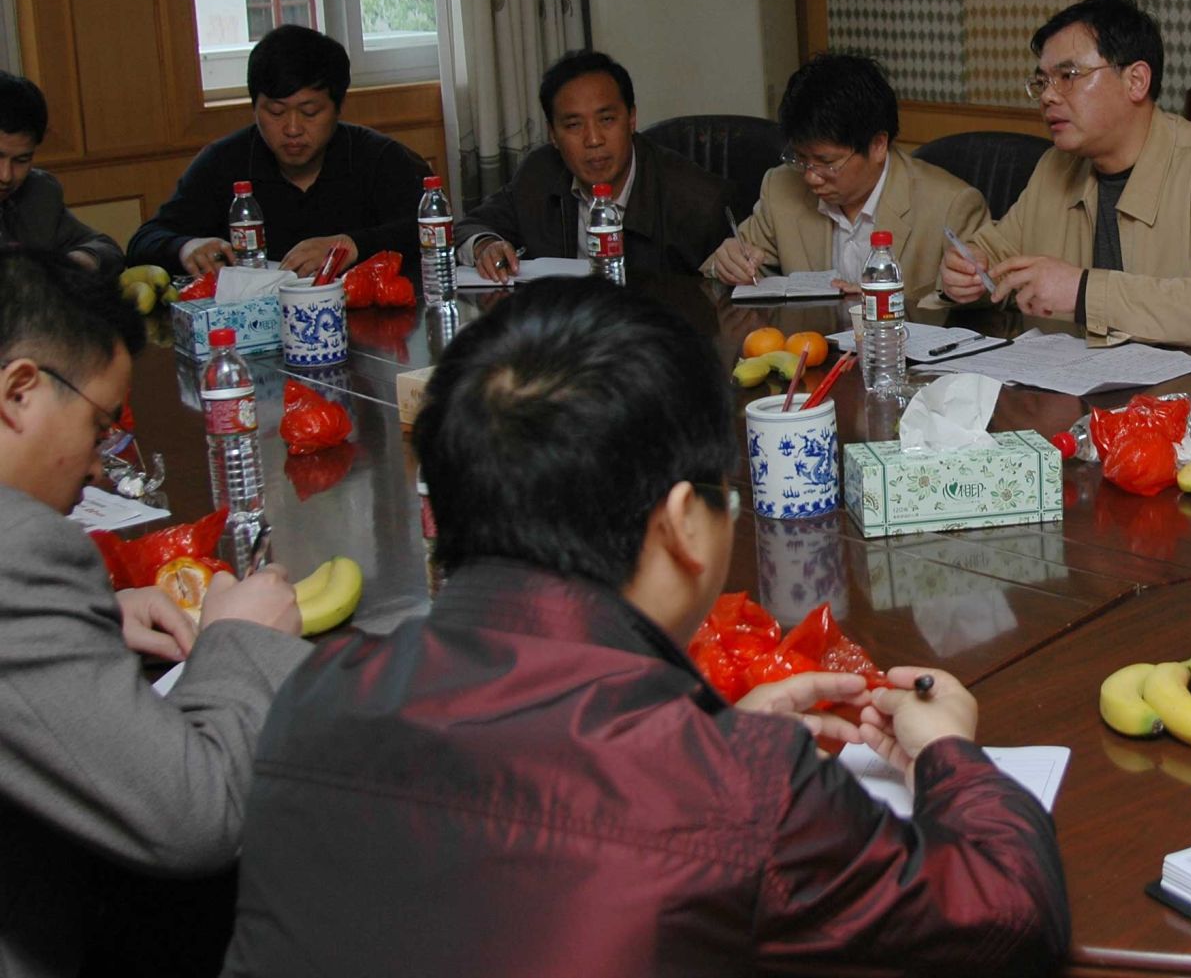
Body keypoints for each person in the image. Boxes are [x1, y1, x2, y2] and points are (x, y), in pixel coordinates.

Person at [222, 279, 1070, 976]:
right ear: (682, 522)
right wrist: (946, 753)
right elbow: (1009, 916)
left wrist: (712, 735)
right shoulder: (731, 787)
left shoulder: (310, 696)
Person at [0, 249, 304, 978]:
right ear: (19, 391)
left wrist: (91, 615)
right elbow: (194, 816)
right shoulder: (19, 550)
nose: (98, 464)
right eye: (100, 425)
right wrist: (239, 640)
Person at [938, 0, 1191, 350]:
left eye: (1068, 76)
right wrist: (967, 275)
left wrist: (1083, 292)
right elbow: (996, 253)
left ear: (1136, 81)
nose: (1048, 96)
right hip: (1074, 380)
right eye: (1042, 82)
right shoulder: (1056, 166)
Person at [126, 24, 430, 277]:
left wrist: (351, 245)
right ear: (254, 107)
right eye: (275, 112)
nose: (292, 129)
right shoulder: (223, 162)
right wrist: (186, 247)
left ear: (338, 107)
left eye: (310, 112)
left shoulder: (378, 157)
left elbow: (425, 231)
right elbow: (145, 240)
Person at [706, 52, 988, 301]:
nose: (811, 177)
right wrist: (726, 264)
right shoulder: (781, 188)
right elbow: (728, 267)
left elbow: (988, 298)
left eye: (826, 162)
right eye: (801, 159)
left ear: (878, 146)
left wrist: (881, 301)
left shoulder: (949, 205)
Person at [457, 51, 735, 281]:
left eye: (607, 120)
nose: (593, 139)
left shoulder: (697, 201)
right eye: (573, 125)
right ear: (553, 135)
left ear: (631, 119)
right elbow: (471, 226)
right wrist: (485, 245)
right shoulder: (539, 173)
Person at [0, 73, 122, 274]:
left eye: (22, 160)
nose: (6, 176)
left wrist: (71, 264)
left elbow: (106, 250)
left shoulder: (38, 192)